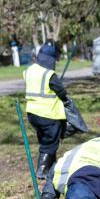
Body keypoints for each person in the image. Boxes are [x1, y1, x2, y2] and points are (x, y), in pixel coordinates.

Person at [24, 44, 68, 181]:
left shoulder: (29, 70)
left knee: (44, 139)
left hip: (32, 113)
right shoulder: (49, 74)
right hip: (49, 113)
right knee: (50, 142)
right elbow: (61, 91)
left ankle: (51, 166)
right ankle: (42, 170)